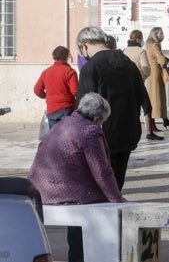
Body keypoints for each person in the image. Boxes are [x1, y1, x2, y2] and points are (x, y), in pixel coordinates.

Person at [29, 92, 124, 262]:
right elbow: (102, 172)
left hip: (39, 190)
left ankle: (77, 256)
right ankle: (89, 256)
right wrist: (117, 199)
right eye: (102, 121)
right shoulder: (90, 131)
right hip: (64, 193)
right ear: (96, 118)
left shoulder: (63, 123)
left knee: (86, 202)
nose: (101, 124)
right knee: (99, 203)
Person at [75, 26, 145, 189]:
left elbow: (83, 109)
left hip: (101, 137)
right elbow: (141, 96)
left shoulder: (91, 67)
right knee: (116, 185)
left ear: (84, 45)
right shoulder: (128, 62)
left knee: (99, 190)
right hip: (128, 134)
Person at [123, 29, 163, 140]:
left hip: (125, 83)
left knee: (131, 108)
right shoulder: (140, 51)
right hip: (138, 81)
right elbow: (146, 68)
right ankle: (149, 132)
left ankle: (129, 131)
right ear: (138, 39)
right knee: (147, 106)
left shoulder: (124, 51)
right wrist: (145, 75)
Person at [33, 45, 79, 128]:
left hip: (51, 109)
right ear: (66, 57)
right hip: (67, 108)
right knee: (66, 137)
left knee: (54, 136)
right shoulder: (70, 71)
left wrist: (47, 96)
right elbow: (75, 91)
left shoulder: (46, 72)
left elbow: (37, 90)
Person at [145, 27, 169, 130]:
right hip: (156, 74)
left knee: (155, 98)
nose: (162, 35)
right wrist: (166, 59)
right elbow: (162, 61)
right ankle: (154, 123)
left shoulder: (149, 45)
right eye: (159, 33)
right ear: (154, 34)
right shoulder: (155, 45)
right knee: (157, 98)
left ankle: (163, 120)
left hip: (151, 74)